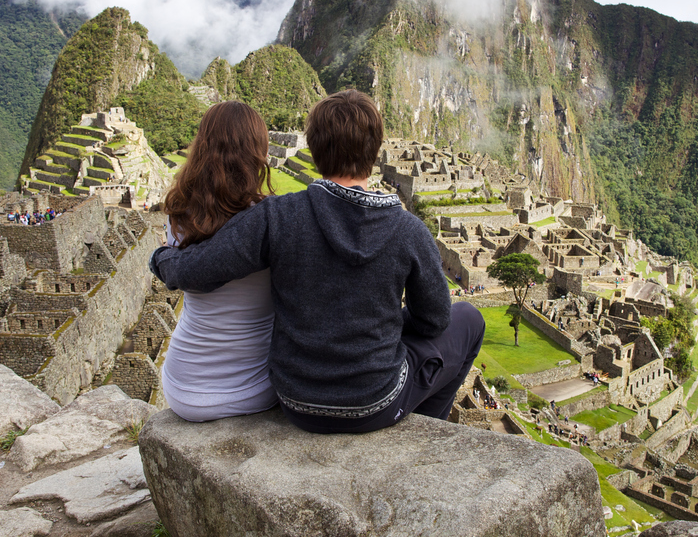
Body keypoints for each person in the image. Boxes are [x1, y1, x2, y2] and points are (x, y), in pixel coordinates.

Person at [150, 90, 484, 434]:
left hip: (296, 401)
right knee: (469, 320)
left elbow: (198, 270)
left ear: (313, 149)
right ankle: (429, 431)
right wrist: (379, 324)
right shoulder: (408, 230)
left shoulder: (277, 216)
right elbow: (434, 320)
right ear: (376, 151)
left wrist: (162, 257)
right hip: (375, 403)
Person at [157, 101, 277, 421]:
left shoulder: (177, 213)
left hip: (181, 385)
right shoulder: (269, 219)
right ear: (258, 150)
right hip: (250, 387)